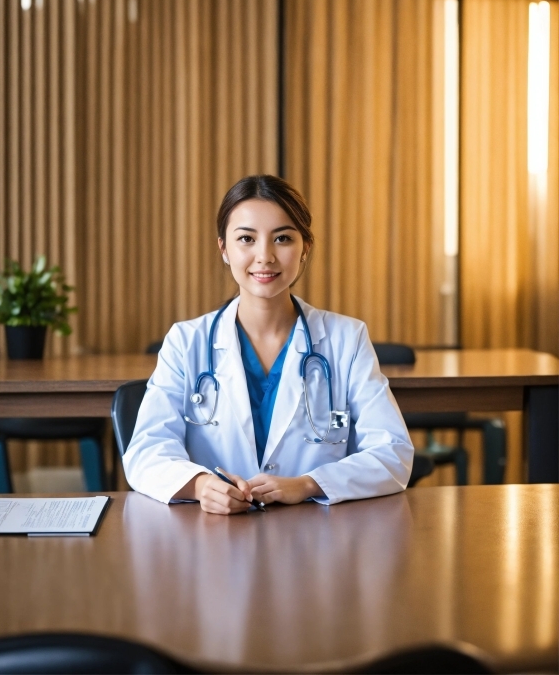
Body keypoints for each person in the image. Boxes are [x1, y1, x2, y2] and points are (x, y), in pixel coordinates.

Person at [123, 175, 414, 514]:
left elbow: (392, 452)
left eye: (283, 238)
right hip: (214, 539)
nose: (265, 256)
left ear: (305, 247)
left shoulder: (346, 340)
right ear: (224, 249)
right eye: (246, 238)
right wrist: (202, 486)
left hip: (315, 540)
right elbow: (145, 452)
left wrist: (307, 484)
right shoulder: (186, 342)